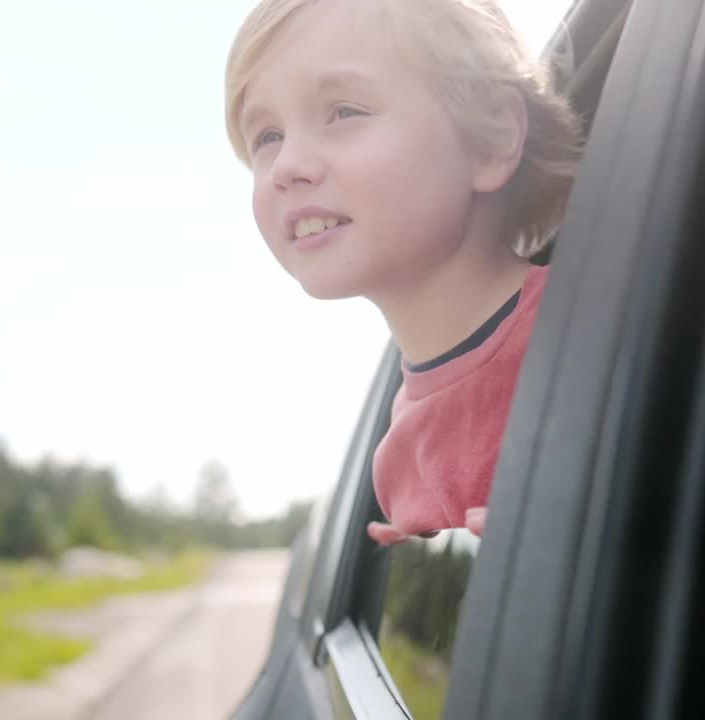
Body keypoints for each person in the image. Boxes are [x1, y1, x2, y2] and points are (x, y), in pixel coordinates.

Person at [224, 0, 582, 544]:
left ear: (491, 139)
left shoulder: (598, 339)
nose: (288, 166)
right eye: (267, 138)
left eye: (344, 111)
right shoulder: (393, 461)